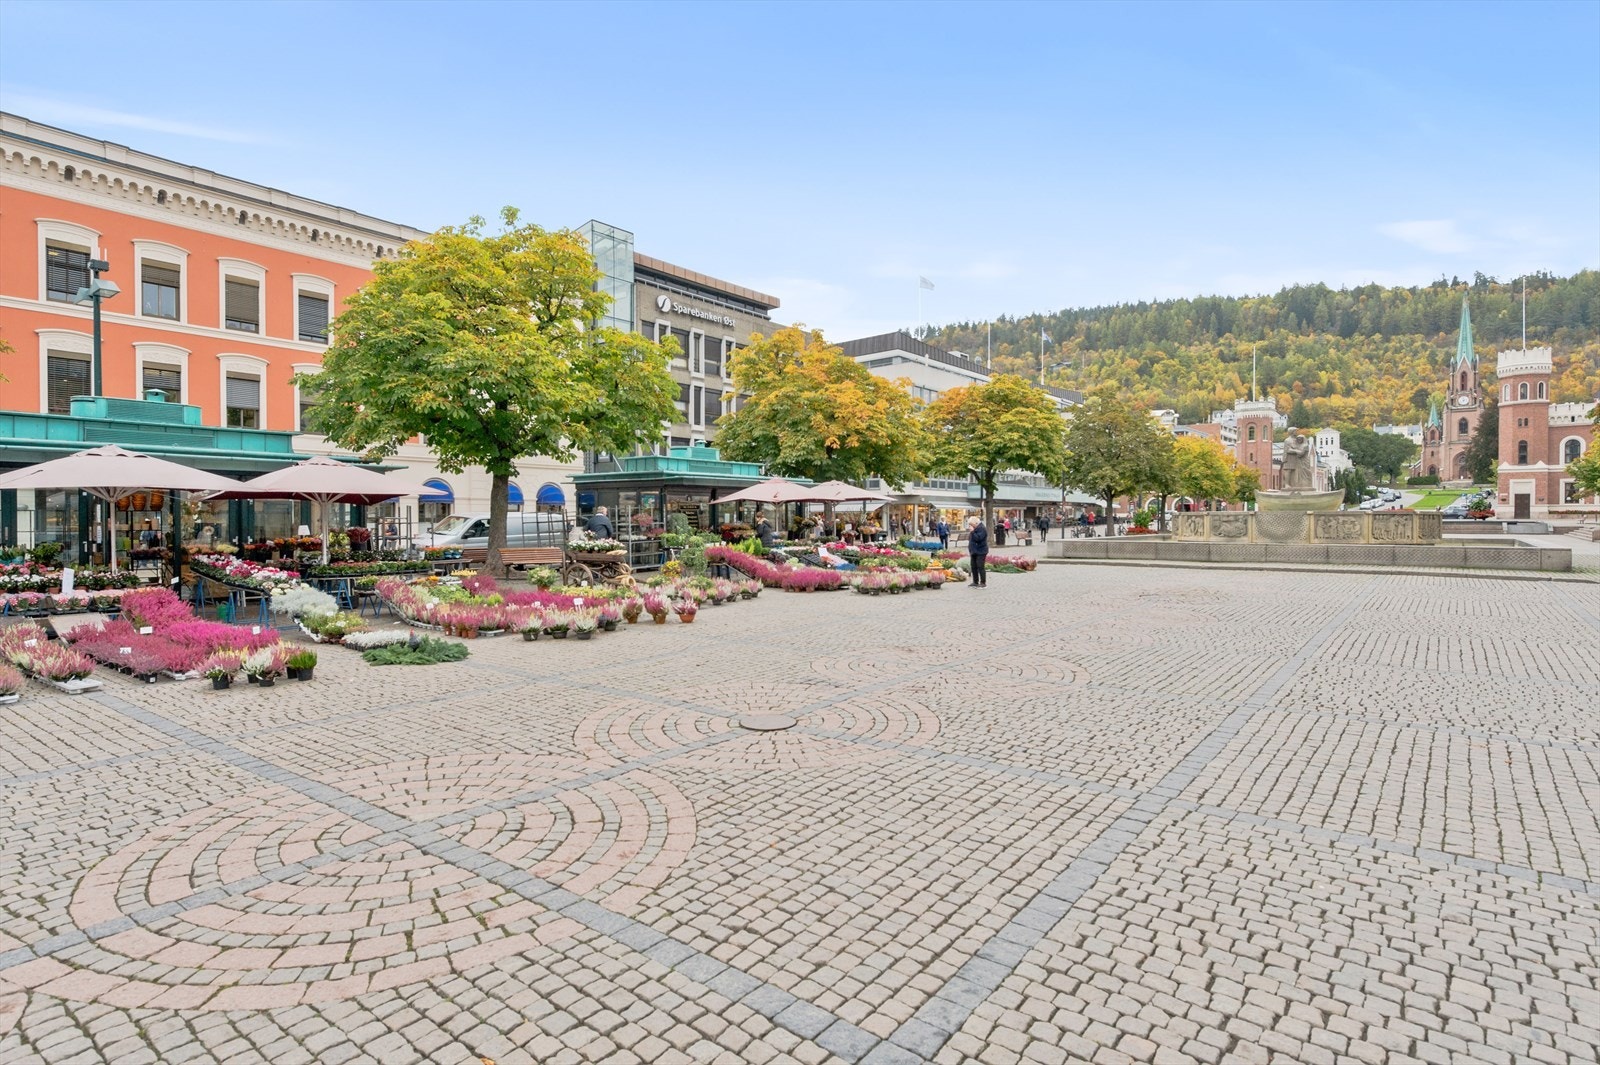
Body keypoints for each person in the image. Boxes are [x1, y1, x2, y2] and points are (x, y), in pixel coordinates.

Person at [966, 516, 989, 587]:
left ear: (975, 523)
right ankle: (975, 581)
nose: (970, 526)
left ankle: (983, 582)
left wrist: (972, 532)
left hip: (981, 551)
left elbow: (978, 538)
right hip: (974, 551)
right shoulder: (975, 528)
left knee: (980, 566)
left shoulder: (982, 528)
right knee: (973, 566)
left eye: (971, 524)